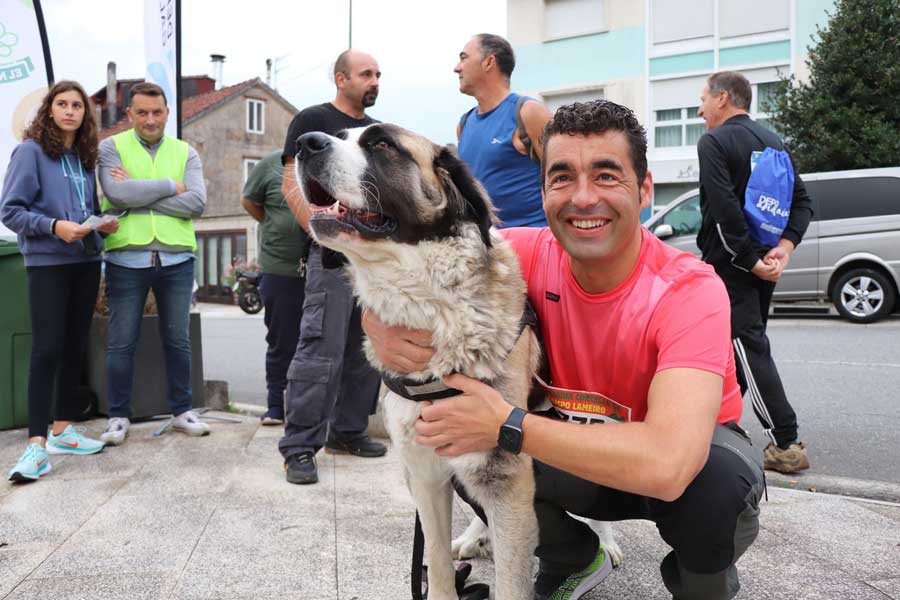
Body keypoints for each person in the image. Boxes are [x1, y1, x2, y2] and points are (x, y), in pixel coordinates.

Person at [362, 100, 765, 600]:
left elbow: (668, 466)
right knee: (460, 439)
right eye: (561, 177)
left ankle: (703, 586)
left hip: (680, 473)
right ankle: (574, 557)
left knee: (717, 487)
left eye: (606, 176)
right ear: (544, 191)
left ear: (644, 191)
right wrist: (374, 321)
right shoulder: (523, 254)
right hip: (576, 453)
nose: (583, 197)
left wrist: (506, 426)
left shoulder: (690, 290)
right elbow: (423, 263)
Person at [278, 49, 387, 485]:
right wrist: (323, 231)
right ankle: (300, 447)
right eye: (366, 74)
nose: (374, 80)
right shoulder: (310, 120)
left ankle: (348, 430)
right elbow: (290, 184)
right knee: (319, 350)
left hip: (374, 262)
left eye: (378, 74)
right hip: (331, 259)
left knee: (367, 351)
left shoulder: (377, 132)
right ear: (341, 79)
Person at [1, 81, 120, 481]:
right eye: (62, 104)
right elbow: (11, 211)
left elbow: (88, 209)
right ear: (49, 110)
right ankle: (36, 446)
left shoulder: (84, 159)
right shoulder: (30, 153)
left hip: (85, 262)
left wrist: (103, 224)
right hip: (48, 263)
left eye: (77, 105)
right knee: (46, 349)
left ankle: (63, 429)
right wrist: (54, 227)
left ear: (86, 114)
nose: (70, 111)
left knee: (74, 346)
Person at [696, 71, 813, 474]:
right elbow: (802, 203)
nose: (700, 110)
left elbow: (725, 209)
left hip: (732, 266)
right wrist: (783, 249)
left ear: (723, 99)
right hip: (763, 264)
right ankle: (718, 423)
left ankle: (785, 441)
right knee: (729, 349)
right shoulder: (774, 141)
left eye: (703, 100)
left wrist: (748, 261)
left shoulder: (714, 142)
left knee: (747, 347)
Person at [97, 82, 208, 445]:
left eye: (156, 112)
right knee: (120, 341)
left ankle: (182, 411)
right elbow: (116, 193)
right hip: (125, 258)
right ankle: (117, 416)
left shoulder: (186, 152)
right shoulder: (110, 147)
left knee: (178, 341)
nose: (150, 119)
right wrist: (167, 186)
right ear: (130, 114)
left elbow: (196, 204)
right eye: (142, 112)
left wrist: (138, 193)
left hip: (177, 257)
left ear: (167, 113)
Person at [241, 151, 311, 425]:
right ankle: (275, 406)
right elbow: (249, 202)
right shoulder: (269, 166)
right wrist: (273, 224)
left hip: (321, 268)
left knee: (321, 345)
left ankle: (313, 409)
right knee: (282, 342)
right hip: (279, 269)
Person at [454, 33, 551, 228]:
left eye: (464, 58)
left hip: (533, 241)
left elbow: (564, 179)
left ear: (488, 62)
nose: (457, 68)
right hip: (491, 247)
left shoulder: (528, 112)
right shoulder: (463, 125)